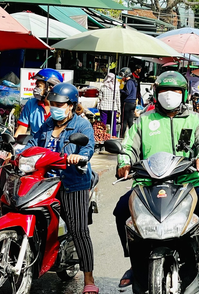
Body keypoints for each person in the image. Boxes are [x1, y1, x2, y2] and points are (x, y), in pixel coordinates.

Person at [114, 71, 199, 284]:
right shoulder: (145, 120)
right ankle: (134, 263)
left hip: (188, 181)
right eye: (164, 90)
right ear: (156, 93)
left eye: (174, 90)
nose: (169, 94)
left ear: (183, 94)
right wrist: (124, 162)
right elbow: (128, 146)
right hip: (148, 182)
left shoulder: (194, 119)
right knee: (121, 211)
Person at [22, 83, 97, 293]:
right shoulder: (47, 124)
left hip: (73, 183)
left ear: (71, 105)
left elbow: (88, 147)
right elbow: (33, 143)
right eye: (52, 103)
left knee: (79, 230)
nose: (55, 107)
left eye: (59, 104)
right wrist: (17, 153)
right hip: (45, 182)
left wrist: (80, 156)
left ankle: (89, 280)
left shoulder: (82, 126)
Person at [15, 68, 63, 137]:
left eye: (38, 86)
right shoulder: (31, 104)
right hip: (35, 145)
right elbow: (22, 129)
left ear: (50, 88)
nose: (35, 89)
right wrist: (14, 144)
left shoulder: (62, 108)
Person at [98, 73, 120, 137]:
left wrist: (98, 107)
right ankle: (113, 136)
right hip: (113, 107)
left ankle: (102, 135)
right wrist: (119, 109)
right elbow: (118, 99)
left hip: (104, 107)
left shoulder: (103, 87)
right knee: (113, 123)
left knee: (103, 123)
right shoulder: (116, 88)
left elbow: (100, 98)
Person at [119, 67, 138, 136]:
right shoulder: (133, 82)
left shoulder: (129, 82)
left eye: (122, 75)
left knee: (123, 121)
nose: (121, 77)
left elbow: (127, 92)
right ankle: (133, 136)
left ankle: (121, 137)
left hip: (127, 103)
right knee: (130, 121)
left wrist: (120, 90)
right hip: (132, 103)